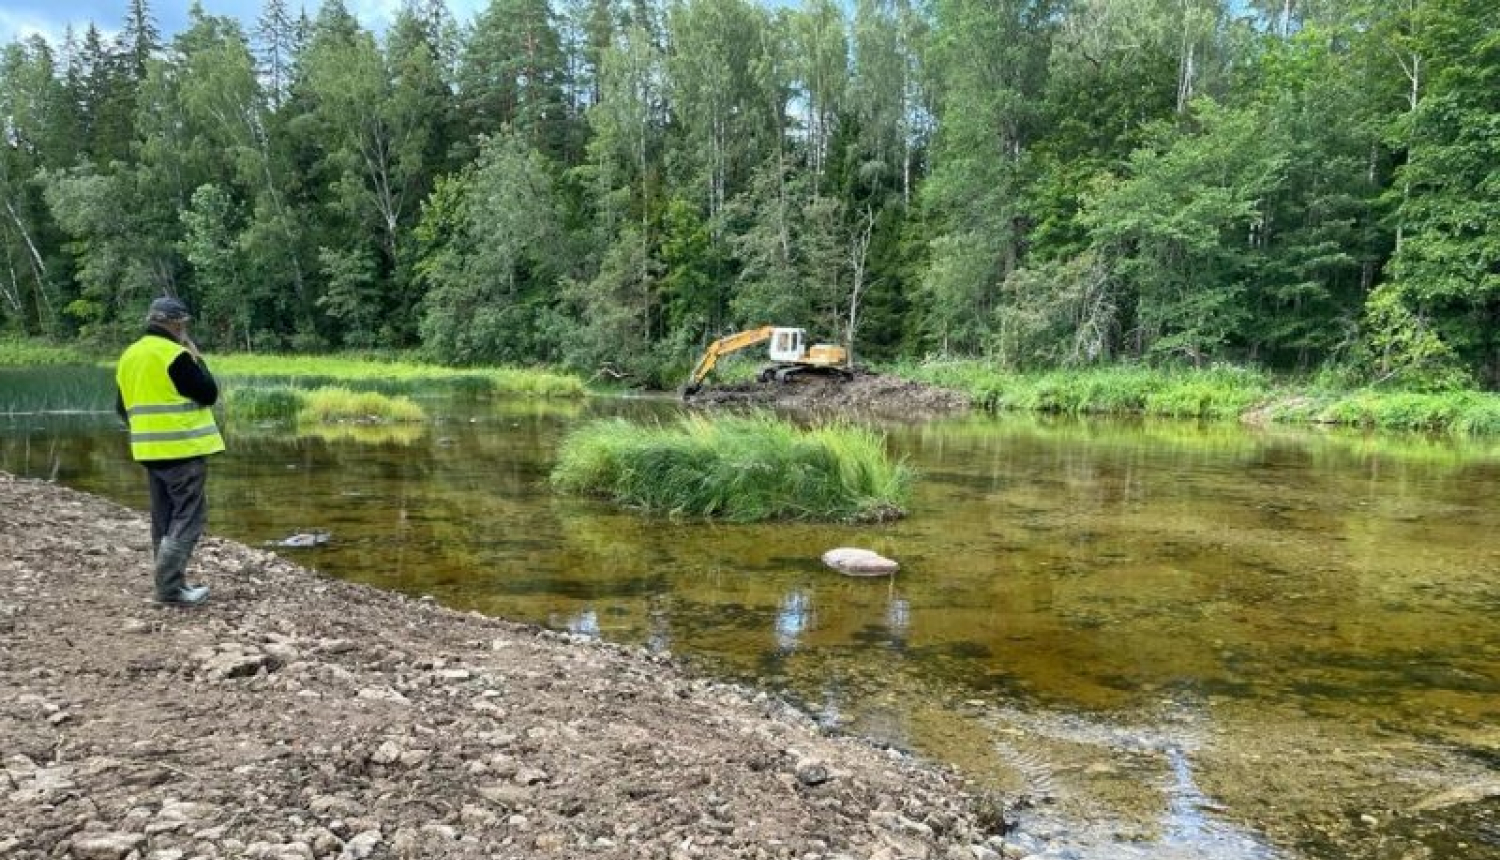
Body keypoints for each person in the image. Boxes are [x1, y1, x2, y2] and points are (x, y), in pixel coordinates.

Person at [115, 296, 224, 606]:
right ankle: (170, 589)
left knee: (163, 517)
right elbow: (208, 393)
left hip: (149, 450)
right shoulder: (174, 354)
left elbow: (122, 408)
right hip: (183, 449)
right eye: (183, 325)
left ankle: (170, 585)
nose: (184, 330)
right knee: (189, 515)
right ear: (176, 323)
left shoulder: (129, 356)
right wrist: (196, 356)